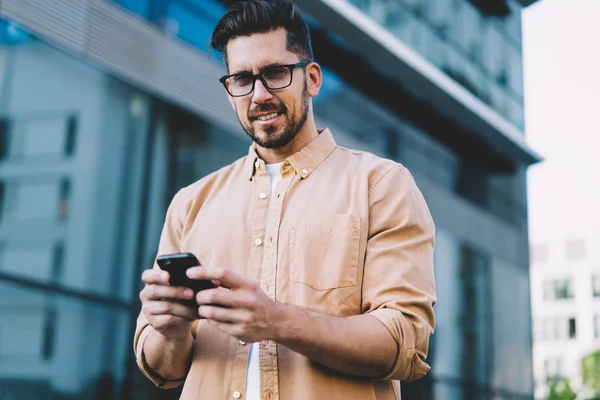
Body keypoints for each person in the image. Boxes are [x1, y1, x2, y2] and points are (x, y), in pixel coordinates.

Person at [134, 0, 436, 399]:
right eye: (241, 79)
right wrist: (168, 330)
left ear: (311, 79)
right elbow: (163, 369)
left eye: (275, 73)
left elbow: (404, 342)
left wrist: (276, 321)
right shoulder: (190, 204)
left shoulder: (380, 185)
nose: (258, 95)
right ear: (229, 91)